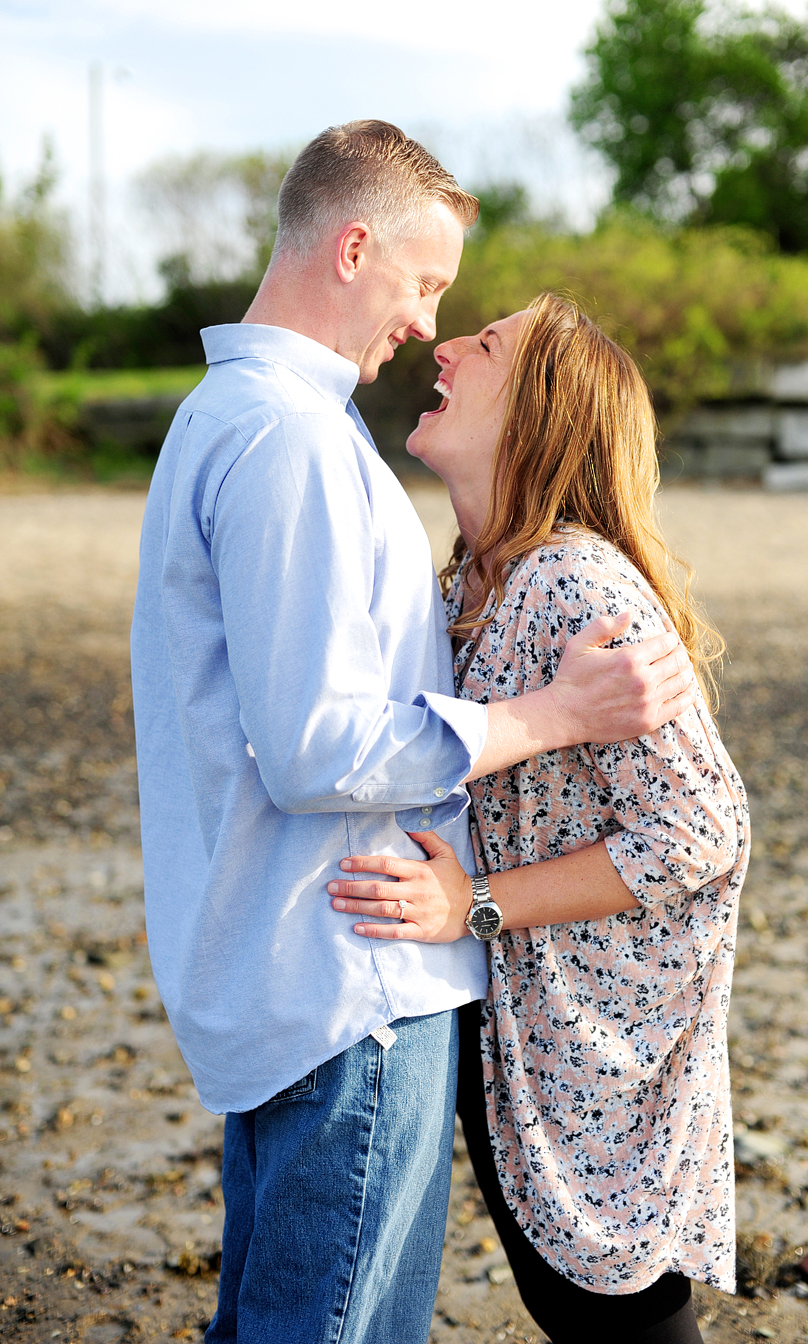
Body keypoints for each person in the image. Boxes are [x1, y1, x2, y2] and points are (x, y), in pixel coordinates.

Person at [130, 122, 696, 1344]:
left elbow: (698, 825)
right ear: (350, 248)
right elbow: (315, 748)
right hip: (349, 983)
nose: (427, 324)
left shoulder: (231, 419)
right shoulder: (290, 437)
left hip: (301, 969)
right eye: (425, 282)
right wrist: (546, 717)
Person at [329, 293, 750, 1343]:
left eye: (491, 343)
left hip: (595, 1042)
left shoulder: (573, 583)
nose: (447, 343)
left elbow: (704, 829)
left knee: (620, 1318)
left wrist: (477, 906)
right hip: (520, 1023)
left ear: (541, 414)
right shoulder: (467, 581)